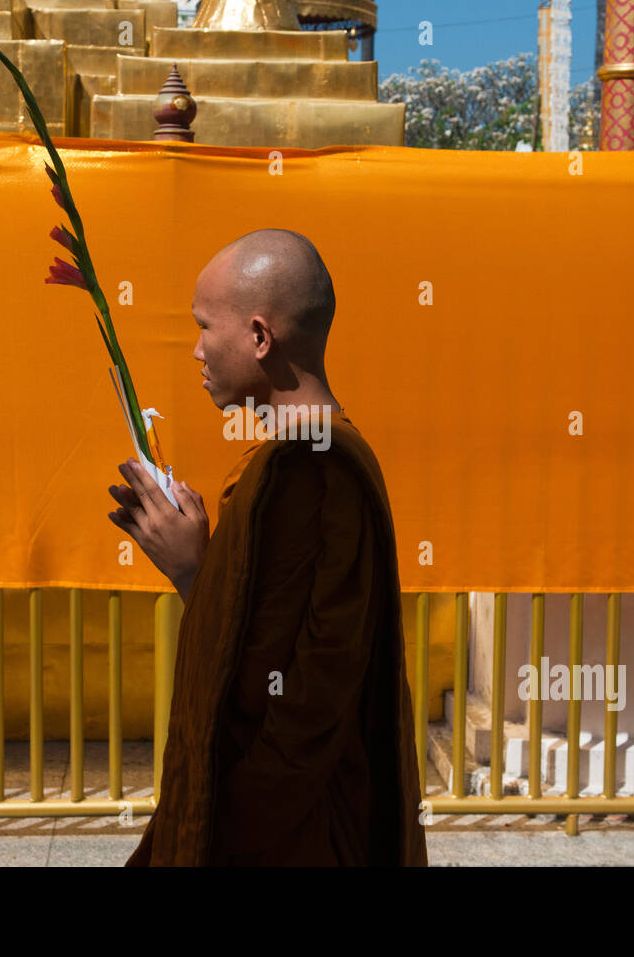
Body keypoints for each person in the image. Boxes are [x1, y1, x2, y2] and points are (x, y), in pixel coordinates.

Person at [107, 228, 427, 866]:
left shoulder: (312, 468)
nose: (195, 350)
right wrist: (202, 568)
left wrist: (195, 571)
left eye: (203, 327)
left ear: (259, 337)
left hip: (286, 826)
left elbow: (305, 697)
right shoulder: (290, 459)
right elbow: (267, 644)